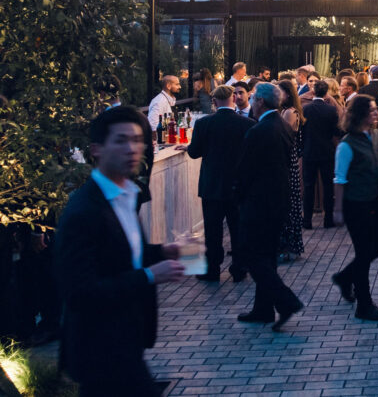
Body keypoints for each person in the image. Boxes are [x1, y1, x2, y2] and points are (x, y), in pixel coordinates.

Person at [55, 106, 186, 396]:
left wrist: (161, 252)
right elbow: (79, 291)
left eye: (138, 140)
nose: (132, 148)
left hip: (126, 340)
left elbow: (119, 257)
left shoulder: (126, 195)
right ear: (96, 150)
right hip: (99, 348)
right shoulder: (84, 211)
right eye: (121, 140)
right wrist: (150, 275)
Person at [234, 83, 303, 330]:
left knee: (250, 254)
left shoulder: (259, 130)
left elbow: (245, 170)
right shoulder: (283, 126)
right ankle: (262, 309)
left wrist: (238, 195)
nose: (251, 103)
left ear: (261, 102)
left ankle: (286, 301)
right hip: (278, 201)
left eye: (253, 99)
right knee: (267, 255)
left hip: (259, 203)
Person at [329, 94, 378, 321]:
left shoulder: (376, 136)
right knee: (363, 252)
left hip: (376, 198)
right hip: (356, 203)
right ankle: (364, 305)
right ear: (361, 114)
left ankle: (345, 277)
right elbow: (339, 178)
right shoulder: (346, 144)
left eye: (376, 109)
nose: (376, 113)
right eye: (372, 110)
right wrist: (337, 209)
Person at [187, 84, 255, 282]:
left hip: (212, 185)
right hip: (237, 185)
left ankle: (212, 269)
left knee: (213, 229)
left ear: (214, 102)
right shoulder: (247, 124)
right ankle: (239, 267)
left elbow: (194, 152)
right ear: (233, 99)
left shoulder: (204, 124)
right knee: (237, 227)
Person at [301, 80, 342, 230]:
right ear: (326, 93)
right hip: (327, 151)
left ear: (313, 92)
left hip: (310, 151)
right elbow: (336, 132)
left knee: (308, 186)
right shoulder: (331, 110)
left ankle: (307, 221)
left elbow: (301, 131)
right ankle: (328, 220)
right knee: (328, 186)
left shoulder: (306, 109)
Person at [277, 80, 305, 261]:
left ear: (287, 94)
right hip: (286, 159)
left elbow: (285, 136)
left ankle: (288, 245)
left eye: (279, 92)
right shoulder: (283, 111)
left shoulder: (290, 113)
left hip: (288, 160)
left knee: (289, 202)